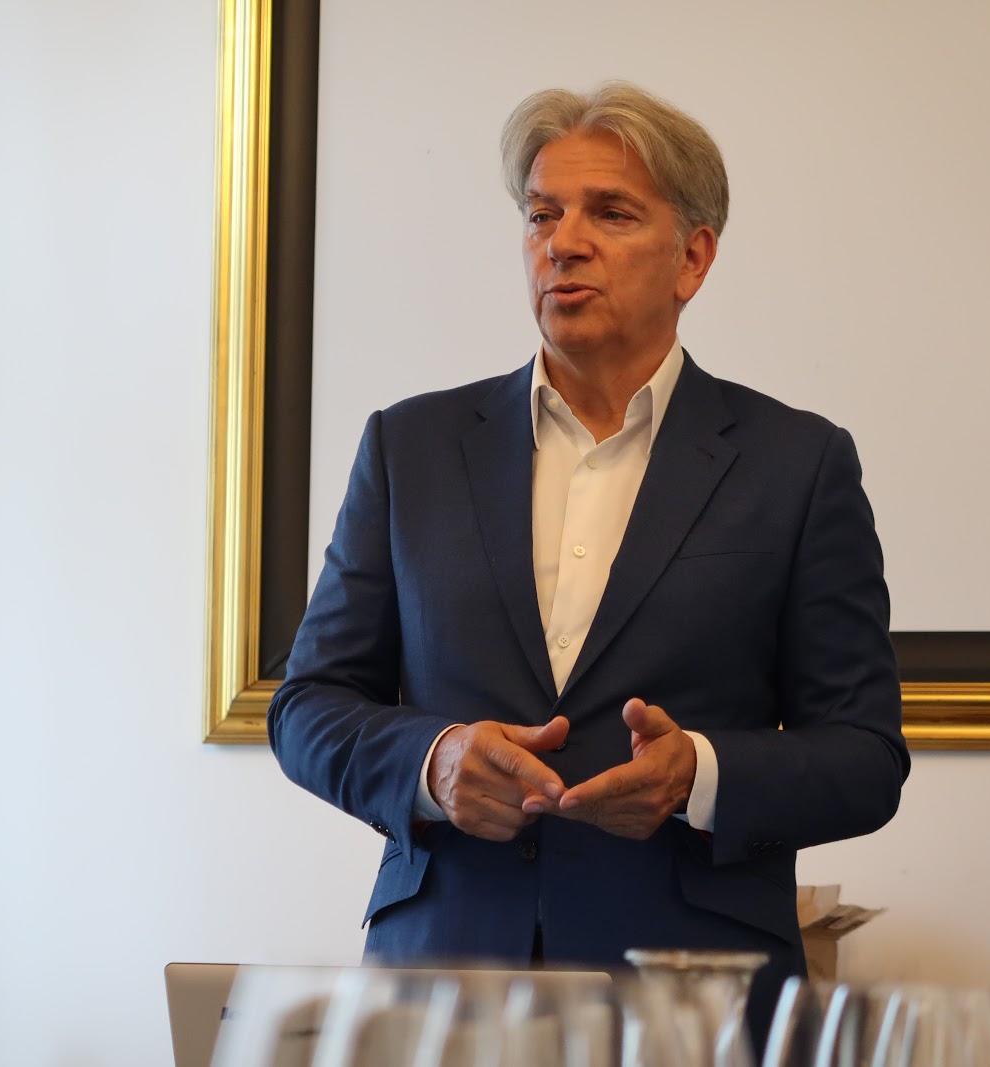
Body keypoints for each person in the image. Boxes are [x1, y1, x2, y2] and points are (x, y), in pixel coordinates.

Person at [267, 81, 908, 1038]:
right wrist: (434, 762)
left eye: (609, 213)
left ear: (693, 257)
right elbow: (307, 706)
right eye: (541, 214)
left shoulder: (798, 463)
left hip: (695, 1000)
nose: (562, 242)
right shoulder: (411, 447)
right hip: (444, 989)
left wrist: (700, 774)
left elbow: (865, 755)